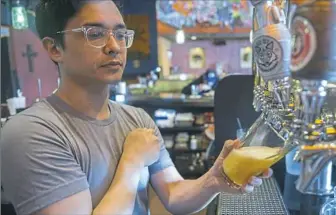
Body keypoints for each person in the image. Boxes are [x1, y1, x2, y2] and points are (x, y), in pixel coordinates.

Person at [0, 1, 272, 215]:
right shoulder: (30, 133)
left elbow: (174, 193)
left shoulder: (136, 118)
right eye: (94, 34)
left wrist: (215, 179)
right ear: (55, 49)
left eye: (120, 34)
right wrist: (131, 163)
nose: (114, 46)